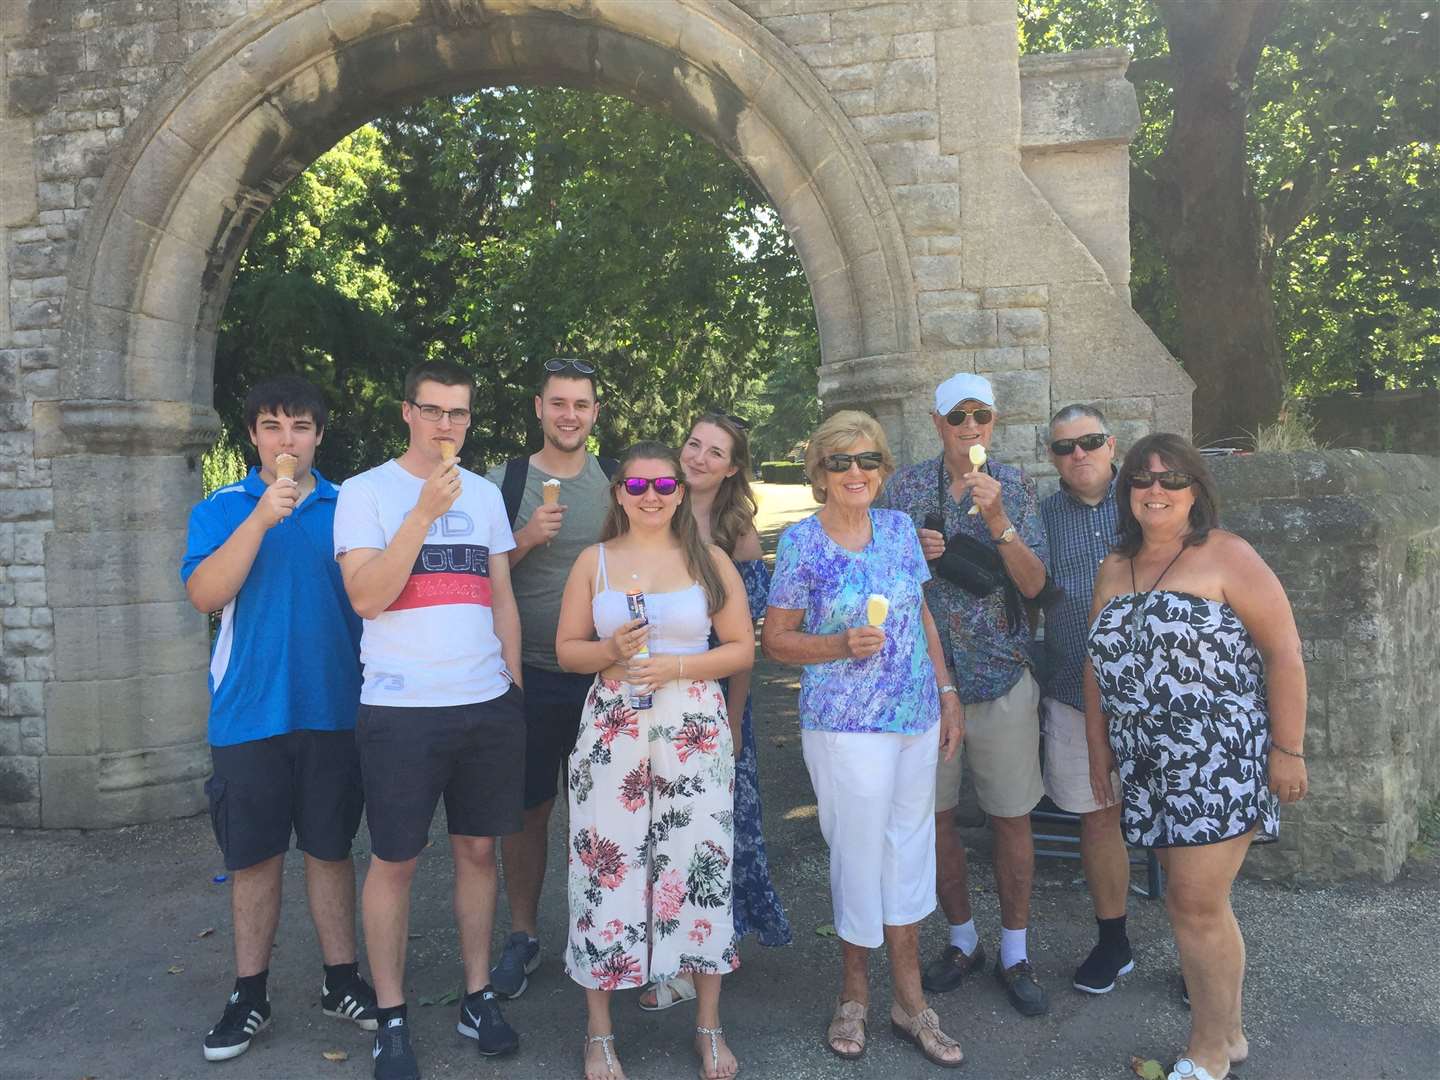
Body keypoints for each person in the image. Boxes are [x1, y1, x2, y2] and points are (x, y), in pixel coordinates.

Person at [1085, 433, 1308, 1080]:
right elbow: (1097, 667)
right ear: (1126, 493)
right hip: (1148, 766)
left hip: (1219, 759)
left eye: (1172, 479)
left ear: (1195, 490)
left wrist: (1287, 752)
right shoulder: (1114, 565)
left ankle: (1208, 1051)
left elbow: (1285, 653)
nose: (1156, 491)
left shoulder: (1227, 555)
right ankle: (1228, 1035)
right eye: (1142, 480)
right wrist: (1099, 749)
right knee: (1195, 905)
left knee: (1194, 903)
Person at [333, 360, 526, 1080]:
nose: (448, 426)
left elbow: (499, 593)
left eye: (460, 414)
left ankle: (477, 996)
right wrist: (420, 514)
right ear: (407, 412)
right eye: (435, 411)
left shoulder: (482, 495)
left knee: (479, 853)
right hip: (401, 708)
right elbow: (367, 598)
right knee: (395, 861)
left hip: (484, 705)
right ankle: (391, 1017)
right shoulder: (365, 493)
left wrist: (508, 678)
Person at [182, 376, 377, 1063]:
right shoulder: (221, 507)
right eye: (271, 425)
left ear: (319, 436)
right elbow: (205, 593)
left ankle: (341, 980)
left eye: (299, 426)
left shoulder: (351, 508)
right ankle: (249, 992)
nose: (285, 439)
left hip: (334, 709)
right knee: (254, 859)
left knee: (331, 850)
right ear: (254, 436)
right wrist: (260, 518)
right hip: (248, 714)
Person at [763, 411, 965, 1069]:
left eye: (868, 460)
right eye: (842, 462)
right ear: (820, 472)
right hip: (845, 725)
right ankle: (854, 992)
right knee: (857, 854)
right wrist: (837, 645)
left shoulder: (901, 530)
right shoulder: (802, 543)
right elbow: (777, 640)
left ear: (881, 469)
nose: (857, 472)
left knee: (910, 851)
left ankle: (910, 1000)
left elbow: (922, 616)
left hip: (913, 716)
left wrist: (946, 691)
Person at [555, 441, 754, 1080]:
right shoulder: (595, 562)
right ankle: (600, 1031)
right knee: (604, 872)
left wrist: (678, 665)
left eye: (664, 486)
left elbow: (743, 648)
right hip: (613, 726)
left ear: (678, 492)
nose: (651, 497)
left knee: (699, 865)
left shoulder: (710, 559)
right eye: (637, 487)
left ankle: (708, 1023)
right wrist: (609, 648)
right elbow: (565, 651)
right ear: (618, 493)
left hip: (692, 726)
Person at [877, 373, 1052, 1017]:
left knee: (1012, 817)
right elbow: (880, 578)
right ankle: (961, 940)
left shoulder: (1018, 487)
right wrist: (911, 555)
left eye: (981, 416)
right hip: (925, 688)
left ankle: (1015, 949)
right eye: (958, 417)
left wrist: (999, 519)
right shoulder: (905, 489)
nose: (970, 427)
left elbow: (1036, 587)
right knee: (936, 821)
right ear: (937, 422)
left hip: (1001, 675)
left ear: (994, 422)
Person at [638, 414, 793, 1012]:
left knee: (710, 834)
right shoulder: (648, 507)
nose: (699, 458)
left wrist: (733, 718)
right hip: (645, 700)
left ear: (732, 468)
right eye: (693, 444)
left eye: (715, 452)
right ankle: (655, 948)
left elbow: (742, 647)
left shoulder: (737, 534)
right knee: (650, 830)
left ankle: (698, 957)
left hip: (712, 705)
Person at [484, 358, 614, 998]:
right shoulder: (503, 482)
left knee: (608, 812)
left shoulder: (616, 483)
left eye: (581, 405)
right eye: (558, 403)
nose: (570, 415)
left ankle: (606, 933)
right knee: (529, 811)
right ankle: (525, 934)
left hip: (602, 674)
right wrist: (525, 537)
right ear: (538, 408)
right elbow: (469, 575)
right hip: (526, 673)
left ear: (595, 412)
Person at [1038, 404, 1136, 994]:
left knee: (1176, 822)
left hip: (1155, 697)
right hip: (1075, 690)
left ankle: (1196, 951)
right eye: (1064, 447)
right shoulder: (1044, 516)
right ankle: (1114, 941)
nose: (1078, 454)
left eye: (1090, 441)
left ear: (1111, 442)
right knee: (1098, 817)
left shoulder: (1149, 499)